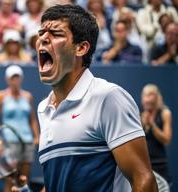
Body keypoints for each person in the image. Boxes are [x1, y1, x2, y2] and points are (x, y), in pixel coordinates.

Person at [32, 4, 157, 191]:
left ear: (81, 48)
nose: (43, 38)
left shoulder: (108, 97)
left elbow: (144, 179)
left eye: (56, 34)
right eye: (41, 32)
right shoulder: (44, 109)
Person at [0, 65, 39, 192]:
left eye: (17, 78)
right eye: (13, 78)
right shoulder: (0, 96)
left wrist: (36, 136)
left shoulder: (28, 96)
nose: (15, 81)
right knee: (11, 179)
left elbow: (33, 119)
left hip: (27, 141)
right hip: (9, 141)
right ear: (7, 79)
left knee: (23, 180)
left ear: (21, 79)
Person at [141, 84, 172, 184]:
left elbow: (167, 140)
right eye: (145, 95)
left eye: (150, 95)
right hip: (144, 165)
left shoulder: (165, 113)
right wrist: (142, 125)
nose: (147, 99)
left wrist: (152, 125)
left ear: (156, 97)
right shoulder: (139, 113)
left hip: (160, 165)